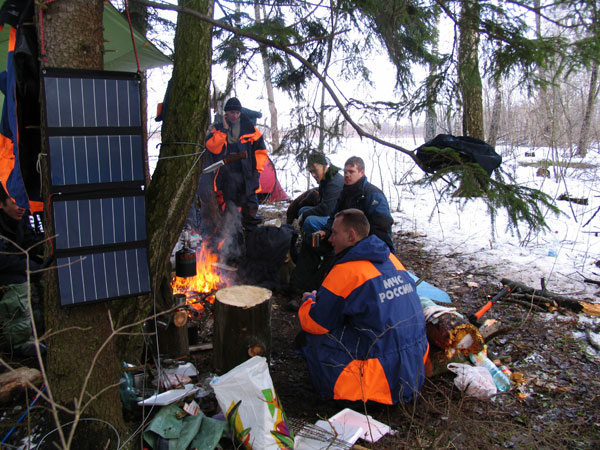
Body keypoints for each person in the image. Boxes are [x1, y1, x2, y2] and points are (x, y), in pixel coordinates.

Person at [297, 209, 428, 404]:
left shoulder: (346, 271)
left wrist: (308, 301)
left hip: (380, 378)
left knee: (312, 339)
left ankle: (343, 394)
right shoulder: (391, 259)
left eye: (334, 233)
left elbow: (315, 323)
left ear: (351, 236)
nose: (330, 239)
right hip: (415, 365)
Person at [290, 156, 394, 296]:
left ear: (361, 173)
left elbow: (382, 228)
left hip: (367, 246)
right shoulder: (345, 191)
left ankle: (317, 293)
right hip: (343, 238)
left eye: (351, 172)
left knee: (333, 257)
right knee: (312, 241)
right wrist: (326, 232)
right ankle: (297, 287)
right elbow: (334, 216)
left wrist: (358, 244)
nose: (347, 175)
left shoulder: (373, 195)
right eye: (345, 172)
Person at [205, 97, 269, 232]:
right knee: (229, 211)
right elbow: (212, 147)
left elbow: (261, 151)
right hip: (227, 176)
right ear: (226, 113)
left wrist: (257, 171)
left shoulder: (250, 129)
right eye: (231, 112)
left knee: (250, 209)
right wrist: (224, 129)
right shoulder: (218, 129)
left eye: (237, 112)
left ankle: (251, 240)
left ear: (240, 113)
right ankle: (232, 244)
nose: (234, 115)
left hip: (248, 175)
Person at [0, 182, 45, 356]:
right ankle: (20, 346)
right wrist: (33, 269)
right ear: (2, 204)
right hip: (7, 273)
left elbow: (30, 243)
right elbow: (4, 260)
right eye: (14, 203)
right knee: (19, 285)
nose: (21, 208)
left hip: (18, 267)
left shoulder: (20, 218)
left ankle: (42, 332)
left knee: (45, 278)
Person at [295, 151, 344, 235]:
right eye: (311, 172)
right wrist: (304, 213)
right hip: (331, 213)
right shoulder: (325, 178)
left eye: (315, 171)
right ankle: (307, 238)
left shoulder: (334, 182)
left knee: (309, 221)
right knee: (302, 210)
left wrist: (304, 215)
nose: (313, 175)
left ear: (324, 167)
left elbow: (326, 210)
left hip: (340, 218)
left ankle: (316, 245)